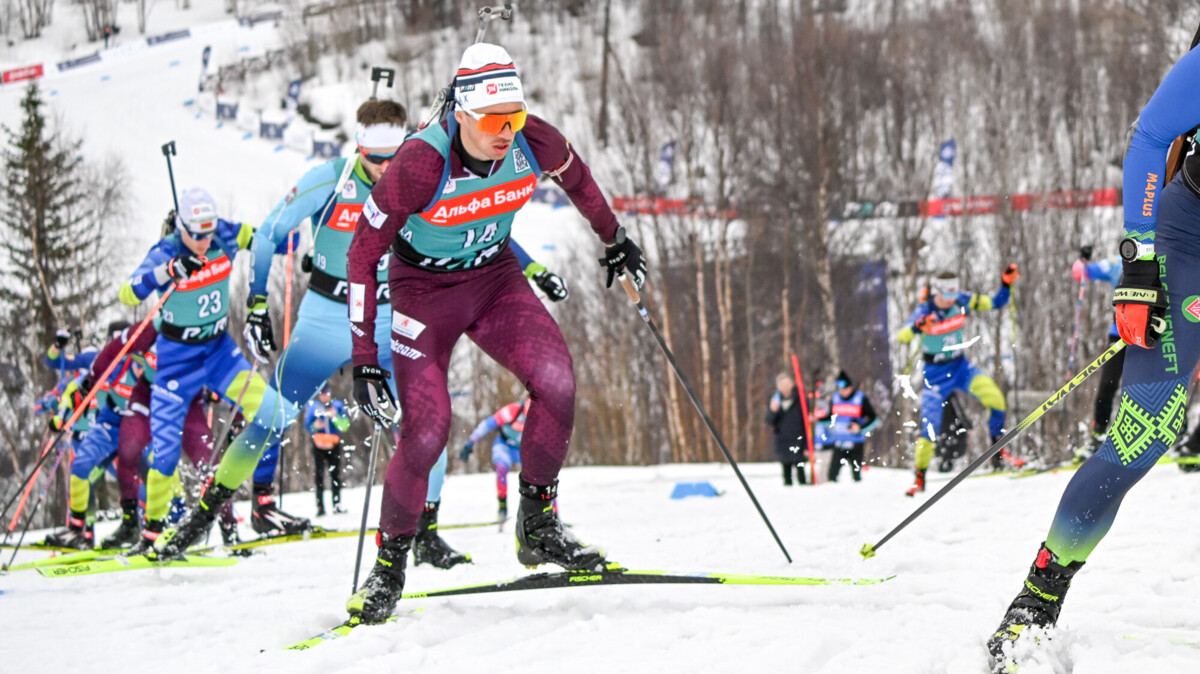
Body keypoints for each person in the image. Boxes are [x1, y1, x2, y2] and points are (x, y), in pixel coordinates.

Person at [150, 98, 566, 569]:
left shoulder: (425, 170)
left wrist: (531, 268)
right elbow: (268, 232)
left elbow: (479, 225)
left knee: (425, 425)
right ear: (359, 148)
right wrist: (259, 303)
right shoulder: (330, 180)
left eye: (394, 156)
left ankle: (425, 533)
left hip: (394, 314)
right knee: (271, 415)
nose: (387, 169)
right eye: (375, 159)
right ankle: (203, 515)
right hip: (327, 315)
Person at [343, 43, 647, 623]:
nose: (505, 131)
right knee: (429, 431)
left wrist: (615, 240)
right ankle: (389, 569)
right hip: (423, 293)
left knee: (557, 382)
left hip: (494, 279)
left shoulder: (536, 140)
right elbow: (362, 254)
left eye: (512, 116)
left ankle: (537, 526)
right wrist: (364, 358)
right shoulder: (420, 163)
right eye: (490, 121)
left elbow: (581, 184)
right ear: (461, 114)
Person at [987, 46, 1200, 670]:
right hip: (1189, 236)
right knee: (1143, 435)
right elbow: (1153, 137)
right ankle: (1038, 599)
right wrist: (1138, 263)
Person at [116, 188, 303, 555]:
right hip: (175, 361)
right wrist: (168, 271)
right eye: (196, 234)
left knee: (269, 411)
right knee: (166, 454)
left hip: (218, 352)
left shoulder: (224, 235)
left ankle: (262, 504)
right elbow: (128, 293)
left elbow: (263, 238)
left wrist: (291, 238)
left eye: (208, 232)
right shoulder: (166, 251)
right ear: (180, 226)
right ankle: (151, 534)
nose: (204, 241)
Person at [897, 267, 1020, 496]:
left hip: (960, 368)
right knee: (930, 428)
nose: (952, 299)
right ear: (938, 291)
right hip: (935, 376)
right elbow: (902, 336)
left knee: (995, 399)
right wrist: (917, 326)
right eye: (948, 295)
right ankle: (919, 477)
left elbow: (995, 302)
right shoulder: (926, 310)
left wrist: (1005, 283)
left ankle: (998, 454)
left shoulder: (962, 300)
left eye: (954, 293)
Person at [1070, 246, 1124, 460]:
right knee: (1108, 385)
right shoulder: (1117, 263)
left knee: (1159, 383)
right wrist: (1082, 259)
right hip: (1119, 335)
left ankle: (1178, 433)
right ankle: (1098, 436)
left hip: (1151, 337)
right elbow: (1079, 273)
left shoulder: (1166, 259)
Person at [461, 397, 531, 519]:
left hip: (524, 449)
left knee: (541, 476)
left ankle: (553, 514)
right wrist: (470, 443)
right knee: (501, 468)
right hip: (504, 445)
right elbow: (487, 425)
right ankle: (502, 508)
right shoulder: (513, 410)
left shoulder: (542, 415)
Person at [824, 370, 877, 483]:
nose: (842, 392)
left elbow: (874, 419)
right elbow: (829, 417)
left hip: (856, 444)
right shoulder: (835, 398)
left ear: (850, 387)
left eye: (845, 389)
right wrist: (817, 419)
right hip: (839, 443)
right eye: (840, 389)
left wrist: (860, 428)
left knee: (856, 475)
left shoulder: (860, 398)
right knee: (832, 475)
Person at [306, 385, 349, 516]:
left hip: (333, 444)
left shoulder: (338, 405)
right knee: (319, 476)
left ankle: (337, 505)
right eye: (322, 394)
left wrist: (335, 417)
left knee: (335, 475)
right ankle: (320, 507)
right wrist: (315, 426)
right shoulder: (314, 407)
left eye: (326, 394)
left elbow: (345, 426)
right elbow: (308, 426)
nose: (324, 396)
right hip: (319, 444)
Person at [765, 372, 809, 485]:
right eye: (781, 385)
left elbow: (806, 423)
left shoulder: (801, 400)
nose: (784, 387)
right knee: (786, 473)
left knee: (800, 471)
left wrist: (807, 445)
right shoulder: (775, 400)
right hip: (783, 441)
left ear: (792, 384)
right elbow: (769, 421)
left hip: (798, 439)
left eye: (786, 384)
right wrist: (773, 411)